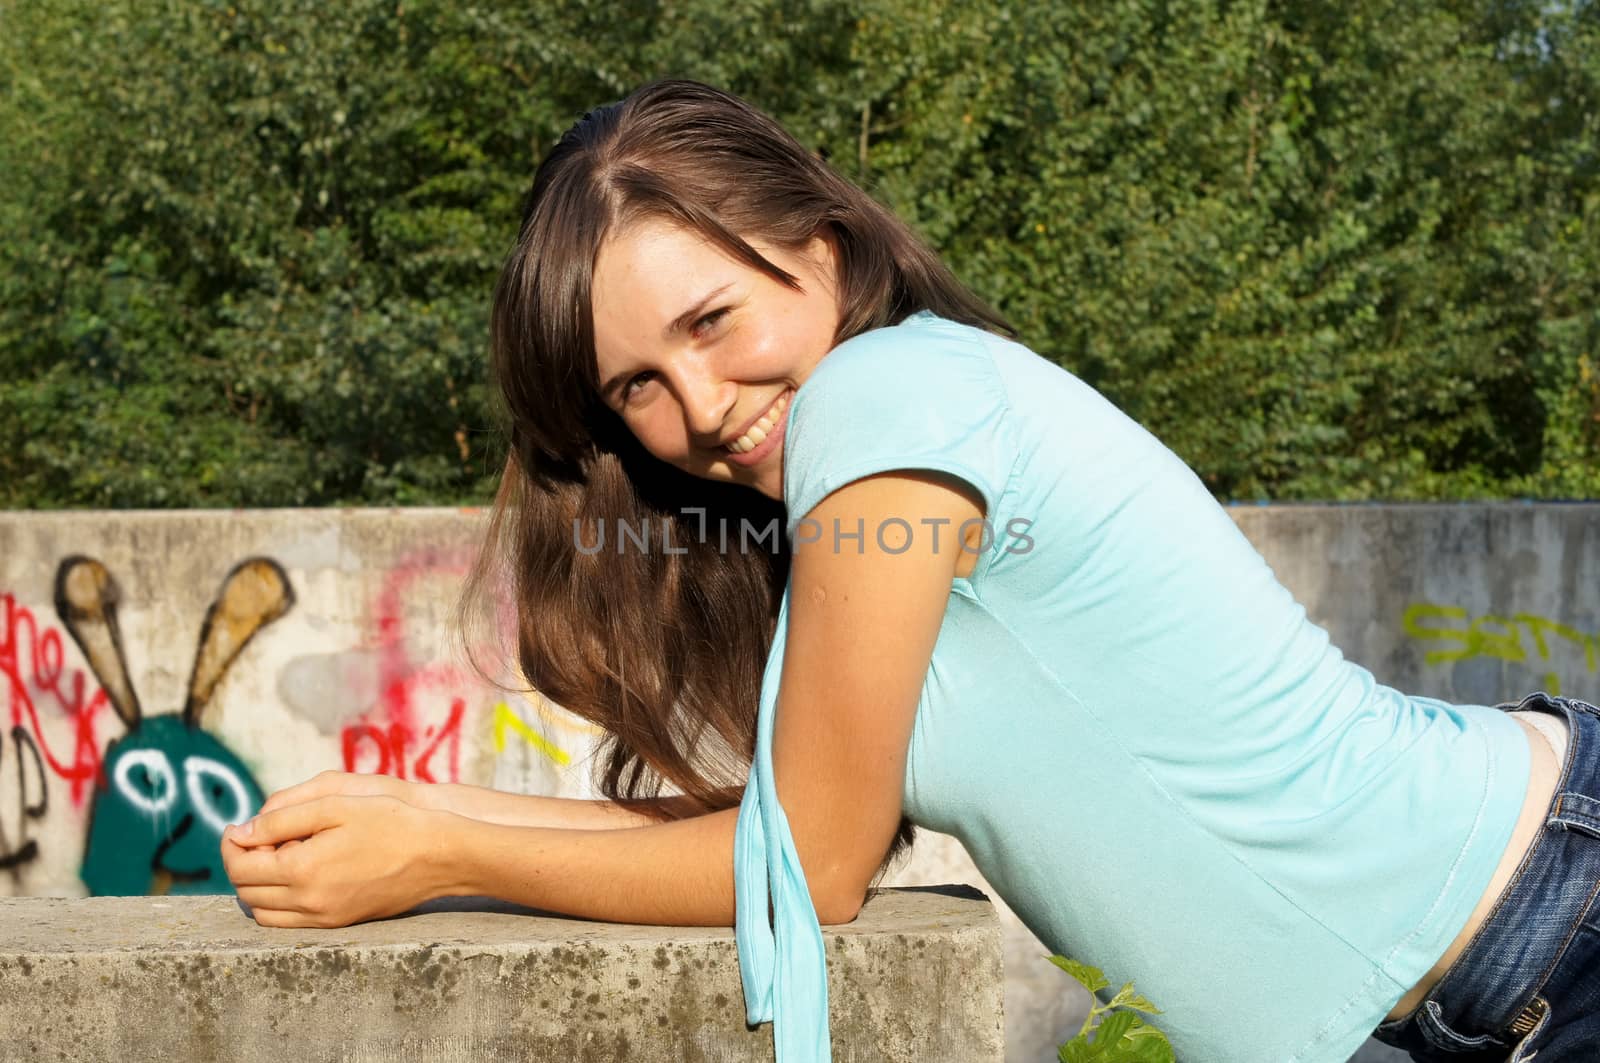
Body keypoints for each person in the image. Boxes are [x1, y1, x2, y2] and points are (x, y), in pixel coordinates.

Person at [219, 79, 1600, 1063]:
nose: (700, 405)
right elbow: (787, 835)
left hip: (1548, 930)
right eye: (637, 385)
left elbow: (811, 871)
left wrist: (445, 854)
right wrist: (417, 816)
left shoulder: (880, 400)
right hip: (1478, 980)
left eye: (715, 319)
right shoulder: (842, 483)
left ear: (820, 248)